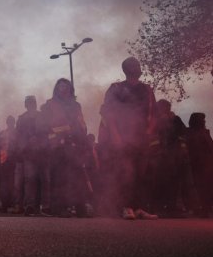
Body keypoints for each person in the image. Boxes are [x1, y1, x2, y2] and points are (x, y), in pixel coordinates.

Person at [99, 57, 158, 220]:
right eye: (133, 65)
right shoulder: (116, 88)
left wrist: (149, 132)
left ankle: (139, 207)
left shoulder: (147, 89)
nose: (137, 67)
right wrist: (116, 136)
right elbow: (108, 114)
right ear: (126, 69)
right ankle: (125, 207)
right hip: (123, 136)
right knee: (125, 173)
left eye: (138, 64)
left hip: (141, 138)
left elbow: (154, 115)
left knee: (141, 173)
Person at [42, 79, 89, 217]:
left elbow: (82, 124)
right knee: (59, 177)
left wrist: (81, 139)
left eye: (66, 87)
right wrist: (61, 133)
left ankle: (80, 207)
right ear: (56, 89)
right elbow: (43, 126)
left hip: (74, 145)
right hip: (57, 147)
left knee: (78, 176)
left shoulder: (76, 106)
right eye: (60, 87)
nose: (63, 89)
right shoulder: (48, 105)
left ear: (70, 89)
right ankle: (59, 208)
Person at [17, 96, 51, 216]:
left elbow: (49, 130)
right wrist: (25, 145)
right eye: (29, 102)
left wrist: (41, 139)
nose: (31, 104)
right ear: (26, 104)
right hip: (29, 153)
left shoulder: (43, 116)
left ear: (35, 104)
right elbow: (18, 135)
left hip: (43, 152)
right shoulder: (21, 119)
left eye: (33, 102)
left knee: (45, 180)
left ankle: (45, 206)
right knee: (30, 180)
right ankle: (29, 206)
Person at [186, 113, 213, 217]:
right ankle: (201, 208)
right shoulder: (191, 134)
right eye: (202, 119)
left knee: (207, 187)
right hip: (198, 165)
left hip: (208, 165)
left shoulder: (205, 133)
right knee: (200, 187)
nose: (204, 121)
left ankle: (206, 208)